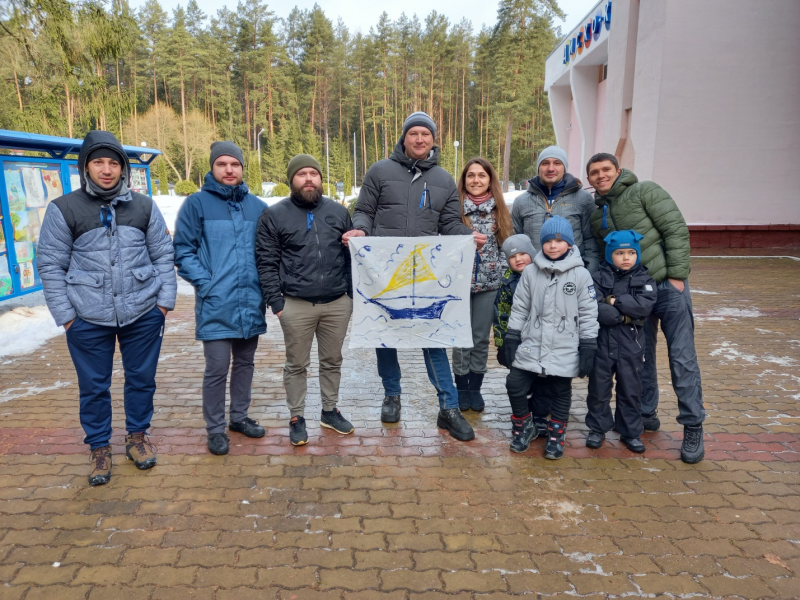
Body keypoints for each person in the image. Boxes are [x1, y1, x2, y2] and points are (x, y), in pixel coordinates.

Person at [37, 130, 176, 485]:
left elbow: (163, 255)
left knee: (142, 380)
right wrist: (67, 317)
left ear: (123, 168)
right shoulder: (64, 209)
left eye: (114, 162)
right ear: (85, 167)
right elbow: (50, 266)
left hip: (142, 313)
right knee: (93, 387)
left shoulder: (144, 206)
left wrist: (163, 304)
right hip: (86, 317)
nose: (107, 169)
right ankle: (99, 448)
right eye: (98, 162)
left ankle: (137, 437)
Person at [342, 111, 485, 442]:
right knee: (384, 336)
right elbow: (364, 211)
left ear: (433, 139)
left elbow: (449, 223)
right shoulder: (380, 171)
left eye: (426, 134)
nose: (420, 139)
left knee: (433, 339)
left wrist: (466, 235)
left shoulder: (444, 180)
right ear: (404, 137)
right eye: (414, 133)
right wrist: (360, 229)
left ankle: (448, 407)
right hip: (383, 270)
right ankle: (392, 395)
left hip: (426, 275)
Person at [585, 152, 705, 464]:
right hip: (634, 297)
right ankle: (645, 412)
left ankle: (693, 425)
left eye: (606, 169)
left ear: (618, 171)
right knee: (640, 356)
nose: (601, 175)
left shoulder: (645, 191)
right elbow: (605, 258)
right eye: (594, 172)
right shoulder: (597, 216)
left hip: (667, 288)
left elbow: (674, 228)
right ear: (589, 179)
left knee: (682, 357)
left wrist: (677, 276)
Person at [173, 141, 267, 456]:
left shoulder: (257, 207)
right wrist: (206, 283)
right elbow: (183, 250)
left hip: (251, 301)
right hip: (216, 302)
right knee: (217, 367)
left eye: (235, 164)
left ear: (242, 168)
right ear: (212, 167)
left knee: (245, 363)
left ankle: (239, 417)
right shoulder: (196, 204)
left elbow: (269, 252)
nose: (229, 169)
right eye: (222, 164)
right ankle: (215, 428)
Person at [256, 154, 354, 446]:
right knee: (296, 364)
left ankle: (329, 410)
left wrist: (350, 295)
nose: (309, 178)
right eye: (302, 174)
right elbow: (266, 261)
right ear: (291, 180)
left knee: (332, 360)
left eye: (314, 173)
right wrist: (277, 303)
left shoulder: (338, 212)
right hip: (295, 304)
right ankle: (296, 416)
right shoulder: (274, 215)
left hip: (337, 303)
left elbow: (351, 257)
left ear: (321, 179)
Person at [503, 216, 598, 458]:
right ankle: (525, 426)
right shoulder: (530, 272)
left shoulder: (581, 275)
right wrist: (512, 336)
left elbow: (588, 313)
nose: (553, 245)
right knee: (515, 384)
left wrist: (588, 344)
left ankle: (556, 435)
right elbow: (520, 307)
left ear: (569, 243)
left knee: (560, 390)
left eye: (559, 240)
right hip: (532, 342)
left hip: (565, 344)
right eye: (547, 241)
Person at [585, 230, 657, 453]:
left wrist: (614, 301)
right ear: (609, 254)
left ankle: (630, 432)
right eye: (619, 253)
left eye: (631, 253)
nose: (626, 257)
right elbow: (594, 307)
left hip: (631, 345)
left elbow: (643, 307)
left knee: (630, 389)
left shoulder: (645, 280)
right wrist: (624, 315)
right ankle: (597, 429)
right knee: (598, 389)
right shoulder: (597, 278)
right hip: (602, 344)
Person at [452, 157, 514, 412]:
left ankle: (475, 388)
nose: (476, 180)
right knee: (460, 338)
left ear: (490, 180)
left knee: (479, 339)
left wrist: (499, 273)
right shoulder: (454, 210)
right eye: (471, 175)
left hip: (488, 286)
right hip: (458, 286)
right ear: (464, 179)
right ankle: (461, 388)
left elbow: (506, 247)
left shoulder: (500, 211)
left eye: (481, 175)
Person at [492, 234, 549, 438]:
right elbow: (500, 314)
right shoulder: (506, 282)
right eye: (512, 257)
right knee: (520, 381)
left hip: (542, 340)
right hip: (517, 342)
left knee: (543, 382)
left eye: (523, 254)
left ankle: (540, 416)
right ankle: (523, 416)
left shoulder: (544, 275)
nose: (518, 259)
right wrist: (502, 344)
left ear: (532, 253)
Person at [512, 145, 600, 273]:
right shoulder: (521, 201)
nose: (551, 168)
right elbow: (515, 240)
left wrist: (589, 272)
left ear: (564, 168)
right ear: (538, 168)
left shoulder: (583, 198)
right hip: (534, 275)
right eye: (545, 163)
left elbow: (591, 239)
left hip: (572, 275)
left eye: (557, 163)